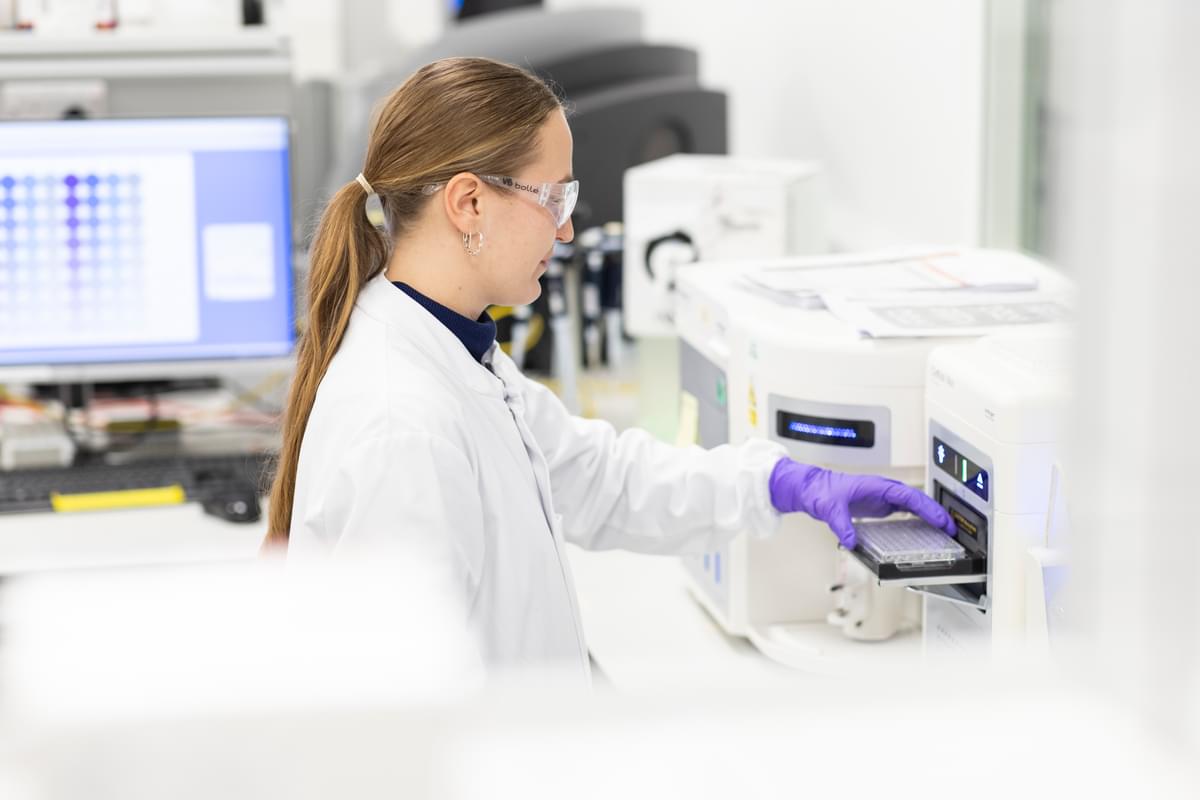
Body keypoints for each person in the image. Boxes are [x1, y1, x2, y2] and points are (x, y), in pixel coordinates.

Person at [267, 57, 954, 680]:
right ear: (469, 202)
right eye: (553, 200)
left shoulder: (455, 352)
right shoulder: (404, 425)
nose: (565, 231)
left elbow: (599, 479)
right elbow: (403, 729)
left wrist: (778, 482)